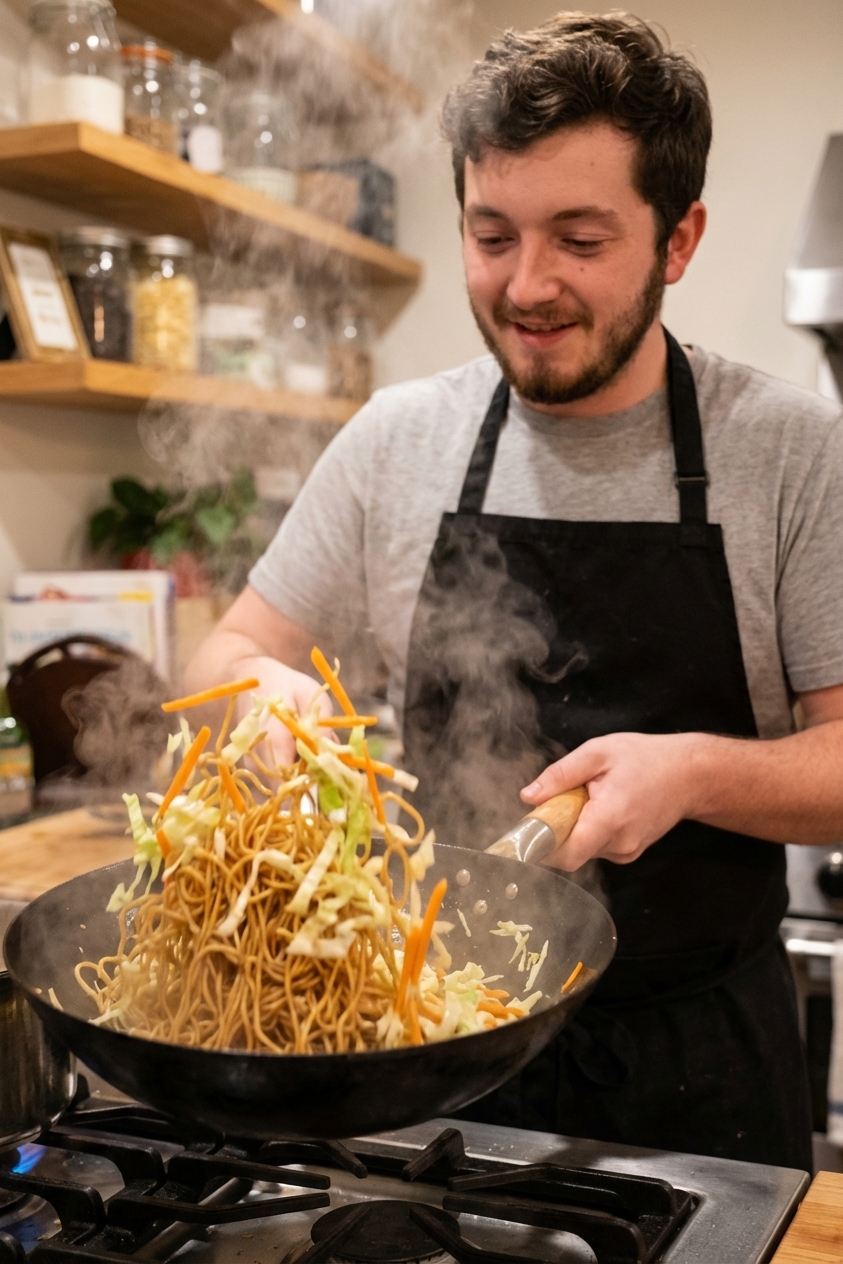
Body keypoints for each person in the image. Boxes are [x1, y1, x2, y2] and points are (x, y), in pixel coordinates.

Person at [185, 11, 843, 1170]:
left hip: (701, 1077)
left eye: (579, 239)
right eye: (493, 235)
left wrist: (691, 771)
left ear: (678, 239)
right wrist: (261, 697)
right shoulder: (397, 440)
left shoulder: (790, 451)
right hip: (429, 1048)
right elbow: (229, 648)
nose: (526, 285)